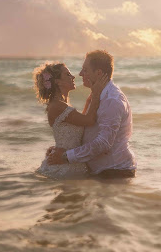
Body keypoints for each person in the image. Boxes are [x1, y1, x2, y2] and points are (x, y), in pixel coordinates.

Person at [46, 50, 137, 179]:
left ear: (98, 73)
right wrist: (61, 148)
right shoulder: (97, 95)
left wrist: (65, 156)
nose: (80, 74)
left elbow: (103, 143)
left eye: (85, 70)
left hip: (114, 172)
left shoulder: (112, 100)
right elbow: (85, 129)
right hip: (100, 172)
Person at [33, 61, 107, 179]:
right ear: (58, 82)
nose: (73, 77)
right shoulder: (58, 106)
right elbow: (89, 120)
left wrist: (90, 99)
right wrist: (97, 94)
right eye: (68, 75)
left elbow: (79, 122)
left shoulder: (62, 104)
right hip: (64, 166)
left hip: (68, 160)